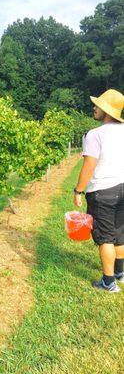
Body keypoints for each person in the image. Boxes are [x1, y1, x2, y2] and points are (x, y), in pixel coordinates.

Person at [74, 89, 124, 293]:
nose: (94, 108)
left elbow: (88, 167)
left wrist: (78, 191)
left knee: (105, 237)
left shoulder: (95, 135)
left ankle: (108, 282)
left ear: (106, 111)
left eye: (98, 105)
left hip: (103, 192)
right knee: (120, 234)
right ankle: (120, 274)